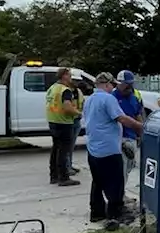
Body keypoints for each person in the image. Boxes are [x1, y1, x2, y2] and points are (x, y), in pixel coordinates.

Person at [83, 72, 145, 224]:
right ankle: (116, 213)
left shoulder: (89, 99)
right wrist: (141, 127)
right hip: (109, 148)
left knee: (98, 182)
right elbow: (121, 118)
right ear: (106, 84)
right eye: (112, 85)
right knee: (115, 182)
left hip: (93, 148)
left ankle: (97, 212)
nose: (113, 88)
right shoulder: (108, 98)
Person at [46, 67, 81, 186]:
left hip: (53, 121)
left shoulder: (52, 88)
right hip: (64, 122)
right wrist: (78, 113)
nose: (71, 78)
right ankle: (64, 177)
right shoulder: (65, 90)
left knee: (55, 149)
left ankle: (54, 176)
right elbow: (67, 107)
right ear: (64, 76)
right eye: (70, 75)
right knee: (64, 151)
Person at [113, 70, 144, 185]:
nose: (129, 87)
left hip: (132, 138)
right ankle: (120, 196)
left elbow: (138, 115)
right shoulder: (112, 98)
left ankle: (121, 193)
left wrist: (141, 134)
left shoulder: (134, 97)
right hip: (120, 138)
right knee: (121, 169)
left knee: (129, 167)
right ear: (119, 83)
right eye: (127, 84)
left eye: (131, 84)